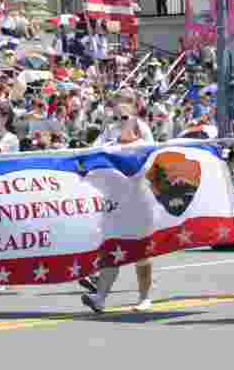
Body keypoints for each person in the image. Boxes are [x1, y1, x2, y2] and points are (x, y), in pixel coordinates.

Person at [81, 105, 154, 313]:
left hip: (139, 206)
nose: (119, 121)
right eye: (115, 118)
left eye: (124, 117)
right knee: (111, 252)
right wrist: (105, 127)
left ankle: (145, 297)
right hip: (114, 207)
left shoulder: (144, 146)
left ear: (135, 121)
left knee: (141, 253)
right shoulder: (108, 146)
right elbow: (87, 157)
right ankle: (100, 298)